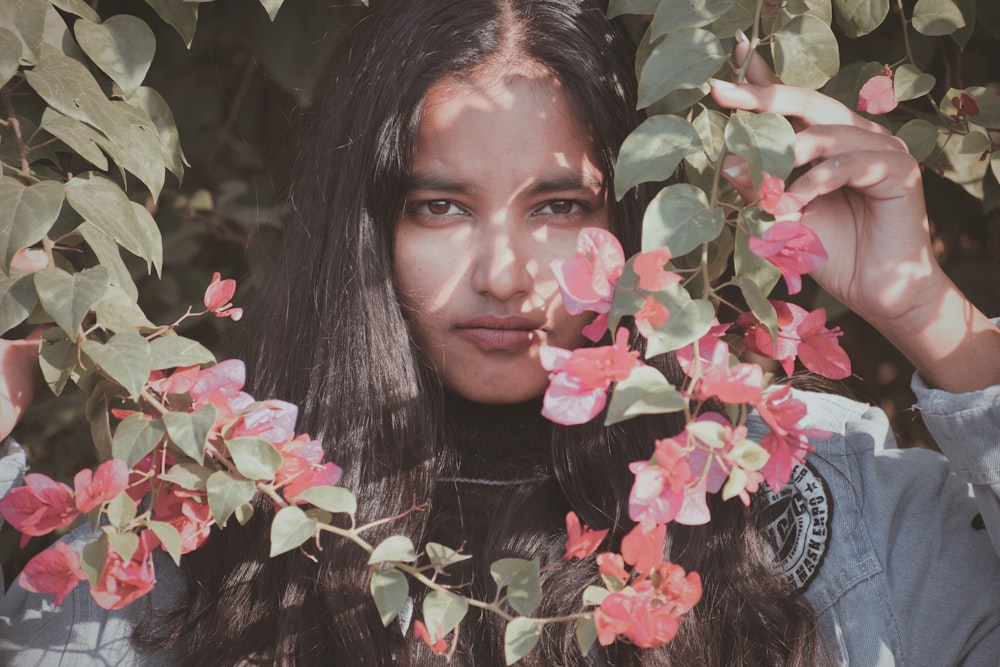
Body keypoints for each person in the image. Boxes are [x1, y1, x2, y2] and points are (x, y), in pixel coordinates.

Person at [2, 0, 1000, 664]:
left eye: (560, 205)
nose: (506, 273)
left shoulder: (819, 505)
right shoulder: (196, 515)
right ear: (370, 226)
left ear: (636, 215)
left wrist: (932, 319)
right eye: (440, 206)